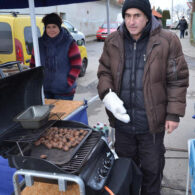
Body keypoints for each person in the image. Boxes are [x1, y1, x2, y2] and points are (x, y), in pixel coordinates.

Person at [97, 0, 189, 194]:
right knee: (125, 171)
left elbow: (177, 79)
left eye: (137, 15)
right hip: (123, 124)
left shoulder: (167, 40)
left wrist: (173, 114)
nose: (131, 21)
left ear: (147, 16)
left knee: (152, 170)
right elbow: (104, 72)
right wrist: (107, 95)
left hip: (151, 125)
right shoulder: (113, 41)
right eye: (127, 16)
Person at [30, 13, 82, 100]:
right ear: (45, 28)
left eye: (54, 26)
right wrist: (37, 82)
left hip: (64, 92)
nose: (51, 30)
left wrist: (68, 82)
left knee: (64, 114)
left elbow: (77, 65)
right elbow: (33, 64)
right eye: (48, 27)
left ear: (59, 27)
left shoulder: (69, 42)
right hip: (44, 91)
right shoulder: (38, 43)